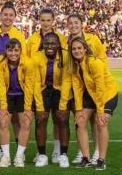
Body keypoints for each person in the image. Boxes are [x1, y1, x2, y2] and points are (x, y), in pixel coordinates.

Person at [66, 37, 118, 170]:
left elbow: (100, 88)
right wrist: (78, 109)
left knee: (101, 122)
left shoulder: (94, 62)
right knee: (80, 121)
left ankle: (101, 160)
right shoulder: (74, 65)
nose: (76, 51)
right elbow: (77, 89)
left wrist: (100, 111)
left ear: (85, 48)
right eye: (74, 49)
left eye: (79, 48)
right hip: (90, 95)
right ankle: (85, 158)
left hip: (107, 94)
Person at [0, 2, 27, 159]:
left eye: (11, 15)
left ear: (15, 18)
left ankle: (18, 150)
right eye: (5, 14)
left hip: (14, 81)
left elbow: (23, 57)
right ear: (0, 16)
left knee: (15, 119)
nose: (8, 17)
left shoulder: (19, 35)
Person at [27, 8, 67, 164]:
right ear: (39, 21)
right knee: (41, 119)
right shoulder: (32, 39)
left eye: (48, 20)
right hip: (40, 86)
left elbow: (64, 62)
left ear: (53, 21)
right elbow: (31, 66)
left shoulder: (62, 39)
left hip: (58, 86)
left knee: (60, 119)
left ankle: (58, 152)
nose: (45, 23)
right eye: (42, 20)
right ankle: (40, 152)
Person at [66, 13, 108, 164]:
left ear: (81, 23)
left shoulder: (93, 38)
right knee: (79, 119)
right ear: (67, 25)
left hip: (94, 86)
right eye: (70, 23)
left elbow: (102, 59)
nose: (73, 25)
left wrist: (93, 77)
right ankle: (82, 152)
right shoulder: (66, 42)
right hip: (77, 86)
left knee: (96, 120)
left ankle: (96, 151)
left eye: (76, 22)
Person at [0, 38, 35, 167]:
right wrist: (4, 107)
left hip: (23, 95)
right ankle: (6, 156)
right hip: (7, 95)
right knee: (3, 121)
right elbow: (0, 86)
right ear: (6, 51)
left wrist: (28, 107)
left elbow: (29, 87)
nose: (13, 53)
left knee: (26, 123)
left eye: (16, 50)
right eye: (10, 50)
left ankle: (19, 156)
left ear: (20, 51)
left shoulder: (28, 63)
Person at [33, 32, 71, 168]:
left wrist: (63, 105)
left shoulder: (65, 56)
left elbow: (67, 81)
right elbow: (36, 83)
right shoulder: (36, 57)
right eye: (47, 43)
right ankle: (42, 155)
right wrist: (39, 107)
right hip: (43, 90)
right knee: (41, 119)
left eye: (53, 43)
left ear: (58, 45)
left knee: (62, 119)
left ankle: (63, 155)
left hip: (60, 91)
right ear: (43, 44)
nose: (50, 46)